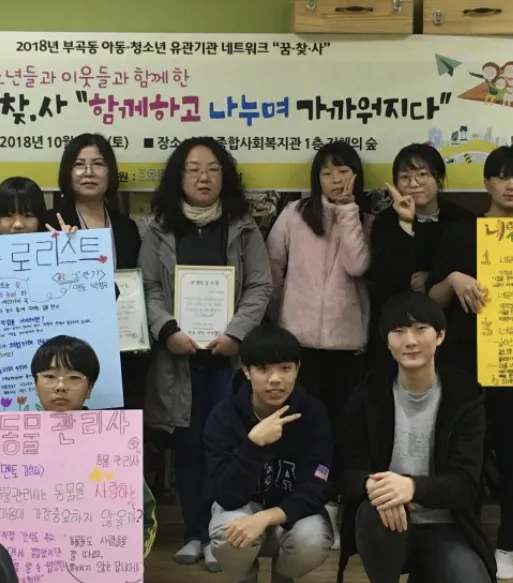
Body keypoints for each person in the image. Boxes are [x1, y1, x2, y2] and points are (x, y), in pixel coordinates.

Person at [139, 137, 273, 570]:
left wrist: (236, 334)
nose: (203, 177)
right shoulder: (159, 228)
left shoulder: (242, 227)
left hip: (228, 359)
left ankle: (222, 536)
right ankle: (194, 533)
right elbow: (147, 286)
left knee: (231, 445)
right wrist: (168, 330)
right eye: (194, 169)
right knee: (190, 445)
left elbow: (260, 286)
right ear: (178, 177)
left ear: (225, 177)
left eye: (213, 169)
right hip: (178, 359)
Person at [425, 144, 513, 580]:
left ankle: (506, 544)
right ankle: (466, 537)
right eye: (503, 177)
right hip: (464, 361)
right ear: (487, 182)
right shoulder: (461, 232)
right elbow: (432, 299)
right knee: (463, 453)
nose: (511, 186)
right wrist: (453, 279)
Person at [336, 292, 494, 583]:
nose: (410, 341)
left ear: (440, 336)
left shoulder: (465, 398)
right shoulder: (368, 394)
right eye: (398, 331)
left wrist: (411, 487)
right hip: (387, 521)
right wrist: (376, 486)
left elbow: (465, 484)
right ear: (387, 341)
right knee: (376, 509)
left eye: (421, 329)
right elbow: (346, 471)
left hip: (445, 525)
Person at [265, 141, 369, 548]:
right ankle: (300, 506)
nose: (336, 180)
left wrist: (347, 213)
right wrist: (281, 317)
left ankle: (334, 507)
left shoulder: (364, 217)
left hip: (346, 344)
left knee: (342, 430)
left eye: (343, 172)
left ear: (356, 176)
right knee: (301, 428)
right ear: (316, 178)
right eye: (327, 173)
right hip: (299, 343)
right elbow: (273, 268)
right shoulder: (294, 214)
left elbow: (358, 265)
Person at [0, 335, 158, 558]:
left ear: (90, 388)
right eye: (49, 376)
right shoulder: (16, 443)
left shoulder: (113, 441)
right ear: (35, 385)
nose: (61, 386)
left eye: (74, 377)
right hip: (33, 564)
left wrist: (125, 562)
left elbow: (144, 517)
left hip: (97, 563)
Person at [204, 324, 334, 582]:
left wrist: (266, 517)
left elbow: (316, 489)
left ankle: (283, 577)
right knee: (227, 534)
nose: (275, 379)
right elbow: (225, 495)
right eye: (263, 369)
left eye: (285, 368)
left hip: (289, 516)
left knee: (313, 539)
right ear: (246, 371)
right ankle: (245, 578)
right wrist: (253, 445)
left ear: (297, 369)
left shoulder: (314, 414)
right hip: (241, 509)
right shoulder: (223, 416)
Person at [0, 177, 70, 469]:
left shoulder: (60, 253)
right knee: (4, 485)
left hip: (58, 395)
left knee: (56, 480)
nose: (17, 225)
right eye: (7, 215)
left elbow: (107, 297)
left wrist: (73, 255)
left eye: (27, 215)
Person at [55, 133, 145, 408]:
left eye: (98, 164)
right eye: (79, 165)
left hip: (122, 345)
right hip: (68, 349)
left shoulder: (126, 226)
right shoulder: (51, 223)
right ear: (68, 172)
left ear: (110, 172)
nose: (89, 172)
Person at [367, 143, 474, 372]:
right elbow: (385, 276)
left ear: (439, 178)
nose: (414, 184)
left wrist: (432, 278)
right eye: (405, 177)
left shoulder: (462, 219)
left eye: (423, 175)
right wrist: (406, 224)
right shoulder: (385, 222)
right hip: (398, 324)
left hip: (451, 330)